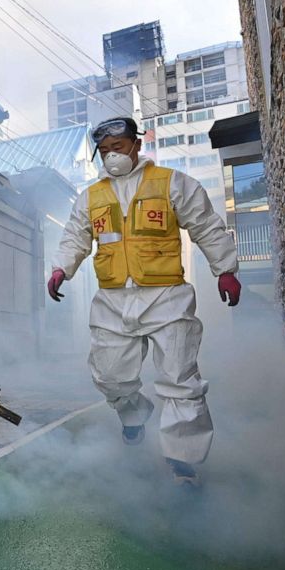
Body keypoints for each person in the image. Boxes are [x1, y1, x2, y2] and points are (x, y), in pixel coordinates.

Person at [47, 117, 241, 486]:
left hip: (166, 295)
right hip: (112, 300)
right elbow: (75, 237)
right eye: (104, 151)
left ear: (137, 144)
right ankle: (134, 415)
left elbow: (206, 225)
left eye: (118, 148)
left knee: (179, 380)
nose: (111, 157)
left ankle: (184, 461)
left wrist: (225, 269)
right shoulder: (90, 196)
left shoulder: (172, 183)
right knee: (109, 376)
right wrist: (61, 269)